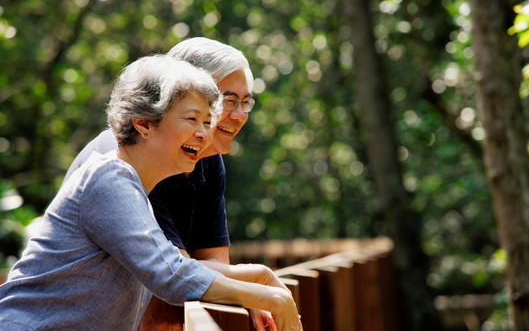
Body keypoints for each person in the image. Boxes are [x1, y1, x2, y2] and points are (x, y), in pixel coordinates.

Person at [0, 55, 302, 331]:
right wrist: (271, 298)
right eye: (191, 119)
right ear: (144, 124)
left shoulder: (135, 187)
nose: (203, 133)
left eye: (207, 122)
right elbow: (170, 273)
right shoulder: (107, 178)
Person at [63, 38, 277, 331]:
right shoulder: (137, 155)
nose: (239, 115)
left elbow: (214, 266)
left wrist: (250, 294)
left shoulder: (206, 157)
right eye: (227, 101)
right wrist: (260, 283)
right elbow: (176, 274)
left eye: (245, 102)